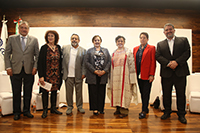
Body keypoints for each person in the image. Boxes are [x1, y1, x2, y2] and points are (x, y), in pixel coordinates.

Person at [156, 23, 191, 124]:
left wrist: (177, 62)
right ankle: (167, 112)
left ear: (174, 30)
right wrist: (168, 63)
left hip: (180, 72)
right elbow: (158, 56)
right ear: (164, 32)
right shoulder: (160, 44)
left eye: (170, 29)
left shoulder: (183, 40)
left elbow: (187, 53)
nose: (168, 31)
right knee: (166, 94)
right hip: (166, 73)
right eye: (166, 30)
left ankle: (181, 114)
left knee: (181, 94)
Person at [4, 21, 39, 120]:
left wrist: (35, 67)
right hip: (15, 70)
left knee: (28, 92)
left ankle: (27, 111)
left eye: (26, 28)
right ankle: (17, 112)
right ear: (19, 29)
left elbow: (37, 55)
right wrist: (8, 67)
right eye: (22, 28)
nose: (24, 29)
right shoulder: (12, 39)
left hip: (29, 70)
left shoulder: (34, 40)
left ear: (28, 29)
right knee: (16, 92)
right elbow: (7, 54)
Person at [109, 35, 137, 118]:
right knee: (116, 92)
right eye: (118, 41)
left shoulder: (128, 52)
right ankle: (118, 108)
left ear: (124, 42)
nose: (120, 42)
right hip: (115, 77)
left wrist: (132, 78)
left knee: (125, 92)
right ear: (116, 43)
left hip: (125, 76)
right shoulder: (113, 53)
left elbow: (132, 65)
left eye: (121, 41)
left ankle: (124, 110)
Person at [38, 30, 63, 118]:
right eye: (49, 36)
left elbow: (61, 61)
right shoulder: (44, 48)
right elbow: (40, 63)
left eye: (52, 36)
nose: (50, 37)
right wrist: (41, 76)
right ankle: (45, 110)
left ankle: (53, 108)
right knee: (45, 92)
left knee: (54, 91)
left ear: (55, 37)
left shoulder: (58, 47)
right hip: (46, 75)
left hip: (56, 74)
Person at [85, 35, 111, 115]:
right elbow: (86, 62)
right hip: (93, 75)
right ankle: (95, 109)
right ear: (93, 42)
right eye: (95, 40)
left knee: (101, 92)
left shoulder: (105, 51)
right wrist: (94, 71)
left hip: (103, 75)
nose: (97, 41)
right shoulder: (89, 51)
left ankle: (101, 108)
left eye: (98, 40)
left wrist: (104, 71)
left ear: (100, 41)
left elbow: (109, 62)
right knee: (93, 92)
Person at [133, 32, 156, 119]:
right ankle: (145, 108)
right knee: (142, 92)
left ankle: (143, 110)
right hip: (138, 74)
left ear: (147, 39)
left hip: (147, 75)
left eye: (144, 38)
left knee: (146, 93)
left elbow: (153, 62)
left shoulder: (152, 48)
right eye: (141, 37)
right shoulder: (135, 49)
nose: (142, 39)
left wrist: (152, 74)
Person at [62, 34, 86, 115]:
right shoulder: (65, 48)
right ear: (70, 40)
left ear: (79, 40)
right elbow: (61, 60)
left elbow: (84, 64)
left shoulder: (83, 50)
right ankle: (69, 107)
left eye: (76, 39)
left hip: (78, 75)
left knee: (79, 92)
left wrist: (83, 73)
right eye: (72, 38)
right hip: (67, 75)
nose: (74, 40)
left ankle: (79, 106)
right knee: (69, 92)